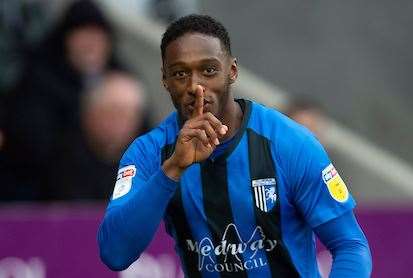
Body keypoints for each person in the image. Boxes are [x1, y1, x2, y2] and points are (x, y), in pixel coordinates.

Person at [98, 15, 372, 277]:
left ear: (232, 71)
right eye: (180, 73)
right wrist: (171, 170)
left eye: (208, 70)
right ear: (165, 80)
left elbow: (351, 246)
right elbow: (115, 253)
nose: (196, 87)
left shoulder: (289, 143)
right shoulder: (150, 153)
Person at [1, 0, 124, 200]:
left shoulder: (122, 80)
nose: (91, 44)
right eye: (82, 35)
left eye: (98, 36)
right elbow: (30, 144)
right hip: (43, 199)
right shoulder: (37, 81)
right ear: (65, 40)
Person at [47, 72, 148, 200]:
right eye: (114, 111)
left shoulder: (152, 164)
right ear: (90, 114)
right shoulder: (60, 161)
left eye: (130, 114)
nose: (122, 122)